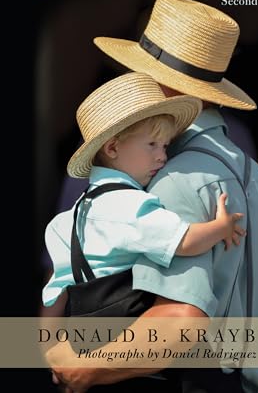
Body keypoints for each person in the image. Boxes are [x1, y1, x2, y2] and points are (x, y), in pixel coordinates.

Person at [47, 0, 258, 393]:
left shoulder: (174, 178)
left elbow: (178, 322)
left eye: (139, 74)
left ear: (161, 86)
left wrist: (81, 369)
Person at [42, 71, 246, 316]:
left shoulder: (74, 214)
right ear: (113, 147)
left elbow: (56, 286)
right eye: (152, 145)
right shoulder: (128, 206)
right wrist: (221, 227)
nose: (162, 156)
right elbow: (185, 241)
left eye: (165, 146)